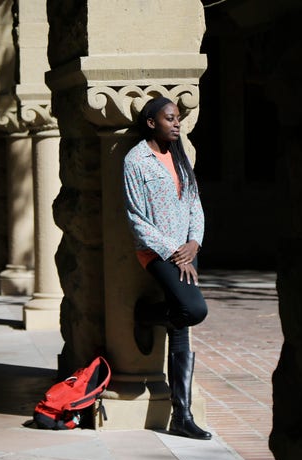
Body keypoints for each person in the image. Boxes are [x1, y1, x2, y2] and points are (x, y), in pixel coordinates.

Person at [122, 96, 211, 440]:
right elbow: (136, 218)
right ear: (151, 122)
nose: (177, 124)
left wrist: (194, 243)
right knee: (193, 309)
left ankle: (182, 416)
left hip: (187, 250)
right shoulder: (136, 160)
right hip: (158, 252)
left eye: (178, 119)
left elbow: (194, 203)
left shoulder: (179, 155)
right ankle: (147, 315)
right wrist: (173, 250)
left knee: (181, 323)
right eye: (170, 119)